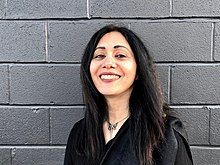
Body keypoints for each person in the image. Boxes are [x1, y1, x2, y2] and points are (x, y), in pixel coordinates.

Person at [64, 25, 193, 165]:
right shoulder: (80, 133)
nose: (108, 63)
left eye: (120, 55)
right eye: (99, 55)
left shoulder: (165, 135)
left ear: (138, 70)